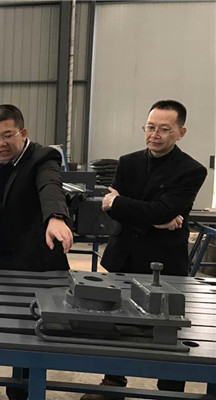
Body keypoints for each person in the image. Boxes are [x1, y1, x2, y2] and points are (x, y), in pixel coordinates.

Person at [81, 100, 207, 400]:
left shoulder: (192, 170)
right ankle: (112, 384)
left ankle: (171, 392)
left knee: (169, 329)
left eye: (164, 129)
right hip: (124, 255)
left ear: (181, 133)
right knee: (114, 323)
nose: (155, 134)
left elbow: (154, 208)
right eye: (150, 127)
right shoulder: (128, 162)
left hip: (165, 262)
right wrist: (158, 219)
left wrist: (142, 210)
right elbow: (112, 209)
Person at [0, 104, 74, 400]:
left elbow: (50, 186)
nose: (1, 144)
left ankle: (21, 387)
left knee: (30, 325)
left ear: (23, 132)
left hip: (33, 256)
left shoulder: (44, 157)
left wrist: (55, 217)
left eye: (8, 135)